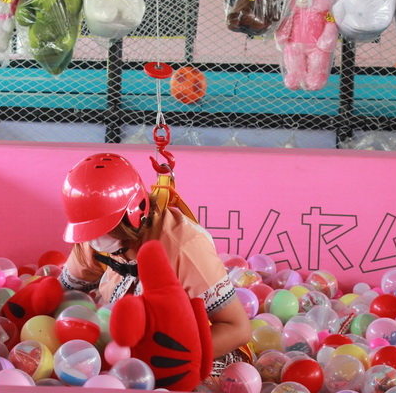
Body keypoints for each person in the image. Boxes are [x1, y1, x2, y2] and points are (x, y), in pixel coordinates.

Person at [58, 152, 252, 379]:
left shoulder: (184, 249)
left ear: (133, 213)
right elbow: (65, 291)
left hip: (189, 350)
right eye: (87, 230)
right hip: (121, 350)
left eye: (103, 228)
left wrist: (171, 361)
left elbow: (238, 329)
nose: (93, 239)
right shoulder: (92, 241)